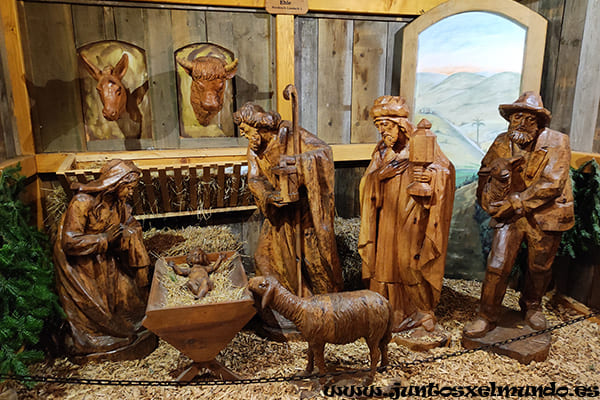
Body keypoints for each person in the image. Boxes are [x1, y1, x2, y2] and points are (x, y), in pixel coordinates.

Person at [464, 92, 574, 338]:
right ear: (509, 119)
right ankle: (486, 314)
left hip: (545, 213)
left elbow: (553, 182)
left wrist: (514, 202)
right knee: (497, 264)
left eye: (530, 119)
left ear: (540, 122)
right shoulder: (502, 142)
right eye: (517, 118)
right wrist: (488, 201)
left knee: (539, 266)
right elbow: (485, 173)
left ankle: (532, 305)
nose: (522, 123)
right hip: (510, 216)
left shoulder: (557, 142)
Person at [358, 96, 455, 332]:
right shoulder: (382, 151)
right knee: (383, 264)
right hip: (386, 218)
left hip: (413, 215)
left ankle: (422, 311)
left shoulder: (421, 144)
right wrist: (378, 177)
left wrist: (431, 176)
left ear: (400, 125)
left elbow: (445, 171)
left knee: (410, 262)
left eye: (386, 125)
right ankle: (385, 311)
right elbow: (367, 182)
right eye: (378, 126)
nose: (382, 131)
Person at [233, 102, 343, 296]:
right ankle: (285, 302)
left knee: (314, 261)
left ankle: (326, 304)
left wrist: (298, 163)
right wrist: (268, 195)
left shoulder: (290, 133)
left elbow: (323, 152)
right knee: (264, 257)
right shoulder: (253, 150)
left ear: (257, 125)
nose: (243, 134)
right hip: (279, 214)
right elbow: (254, 178)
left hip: (305, 212)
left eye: (245, 129)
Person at [54, 159, 156, 358]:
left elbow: (129, 223)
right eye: (129, 188)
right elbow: (69, 241)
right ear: (115, 183)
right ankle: (97, 338)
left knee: (132, 301)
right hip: (80, 266)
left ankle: (124, 329)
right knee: (98, 308)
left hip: (106, 259)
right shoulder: (82, 202)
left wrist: (129, 232)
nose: (131, 192)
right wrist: (104, 239)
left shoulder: (118, 203)